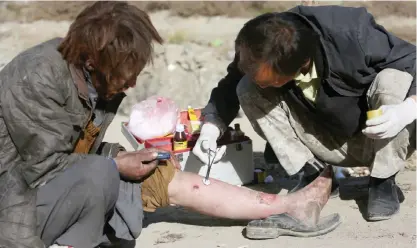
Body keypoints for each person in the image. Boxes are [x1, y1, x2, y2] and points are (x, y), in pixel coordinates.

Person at [0, 2, 342, 248]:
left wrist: (123, 158)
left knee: (157, 174)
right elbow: (42, 169)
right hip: (16, 205)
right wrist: (113, 163)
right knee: (102, 172)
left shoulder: (93, 72)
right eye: (125, 72)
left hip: (57, 181)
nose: (131, 83)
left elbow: (75, 146)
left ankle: (288, 207)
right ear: (92, 60)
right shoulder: (38, 78)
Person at [193, 4, 416, 223]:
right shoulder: (257, 45)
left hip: (376, 136)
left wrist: (407, 110)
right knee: (245, 87)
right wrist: (211, 128)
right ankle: (315, 174)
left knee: (395, 79)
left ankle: (383, 180)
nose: (262, 84)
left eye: (269, 81)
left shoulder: (352, 34)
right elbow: (231, 85)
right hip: (322, 141)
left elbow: (413, 60)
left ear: (303, 64)